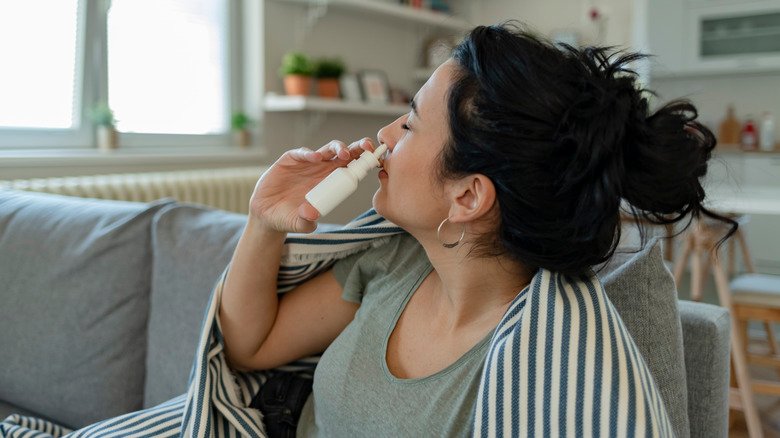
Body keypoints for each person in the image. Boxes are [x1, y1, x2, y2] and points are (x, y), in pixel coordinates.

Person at [219, 22, 733, 437]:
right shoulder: (395, 261)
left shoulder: (536, 371)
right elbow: (251, 347)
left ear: (467, 196)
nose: (384, 135)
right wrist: (264, 222)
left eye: (411, 123)